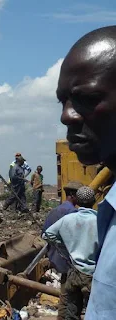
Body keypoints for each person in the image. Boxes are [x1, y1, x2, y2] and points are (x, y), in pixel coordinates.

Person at [56, 26, 116, 318]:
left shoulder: (64, 218)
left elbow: (50, 236)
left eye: (88, 99)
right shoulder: (104, 213)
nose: (66, 115)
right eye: (63, 101)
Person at [43, 186, 98, 319]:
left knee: (71, 311)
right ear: (94, 201)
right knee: (95, 311)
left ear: (77, 201)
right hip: (93, 275)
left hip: (73, 273)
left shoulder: (68, 219)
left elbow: (47, 235)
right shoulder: (99, 220)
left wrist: (65, 244)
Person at [42, 181, 82, 320]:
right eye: (78, 195)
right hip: (71, 262)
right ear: (72, 195)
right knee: (71, 299)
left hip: (58, 259)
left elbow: (45, 234)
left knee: (65, 296)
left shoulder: (54, 211)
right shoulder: (74, 213)